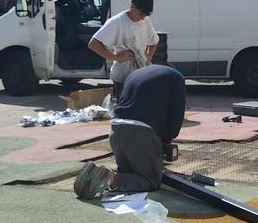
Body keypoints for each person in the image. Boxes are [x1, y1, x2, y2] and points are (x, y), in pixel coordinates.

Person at [74, 64, 186, 199]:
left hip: (116, 128)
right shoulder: (178, 78)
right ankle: (110, 179)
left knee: (128, 172)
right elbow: (176, 116)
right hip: (140, 132)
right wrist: (166, 141)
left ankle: (96, 174)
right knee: (151, 181)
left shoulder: (135, 74)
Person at [87, 0, 159, 99]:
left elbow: (154, 42)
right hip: (123, 77)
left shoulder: (145, 20)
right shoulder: (117, 22)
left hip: (142, 76)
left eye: (145, 15)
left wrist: (147, 58)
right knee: (124, 111)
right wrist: (116, 57)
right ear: (132, 7)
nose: (143, 18)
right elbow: (93, 44)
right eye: (140, 14)